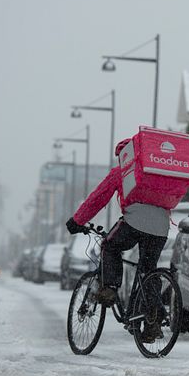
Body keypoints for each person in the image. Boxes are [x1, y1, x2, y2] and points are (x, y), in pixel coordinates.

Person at [66, 138, 170, 343]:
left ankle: (110, 288)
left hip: (135, 221)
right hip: (161, 227)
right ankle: (152, 317)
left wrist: (77, 220)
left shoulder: (124, 170)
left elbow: (99, 197)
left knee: (109, 245)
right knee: (148, 269)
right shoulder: (156, 171)